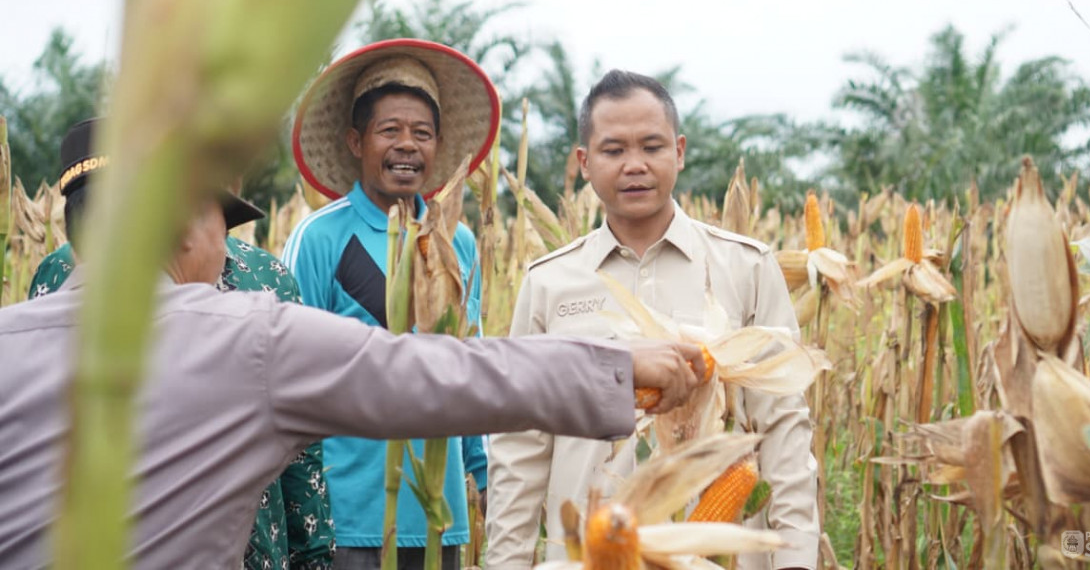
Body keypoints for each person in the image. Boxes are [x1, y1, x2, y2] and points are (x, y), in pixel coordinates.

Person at [0, 119, 706, 570]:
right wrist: (619, 367)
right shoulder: (247, 336)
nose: (228, 247)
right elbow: (442, 373)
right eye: (224, 223)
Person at [486, 70, 820, 570]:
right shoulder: (549, 283)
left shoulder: (746, 267)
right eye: (614, 150)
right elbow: (521, 447)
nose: (634, 166)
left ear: (679, 152)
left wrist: (795, 560)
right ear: (584, 162)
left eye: (652, 147)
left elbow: (785, 433)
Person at [27, 118, 336, 570]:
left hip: (249, 547)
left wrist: (313, 553)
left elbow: (300, 436)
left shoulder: (265, 278)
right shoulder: (59, 275)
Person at [283, 39, 498, 570]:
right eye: (390, 131)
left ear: (438, 145)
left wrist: (485, 474)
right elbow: (287, 372)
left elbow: (469, 367)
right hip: (347, 519)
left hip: (439, 518)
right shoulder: (319, 238)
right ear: (357, 141)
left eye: (421, 133)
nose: (407, 145)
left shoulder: (457, 242)